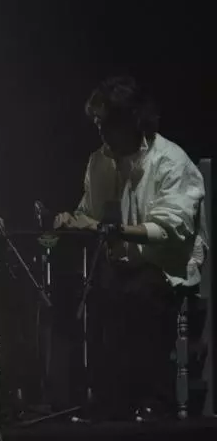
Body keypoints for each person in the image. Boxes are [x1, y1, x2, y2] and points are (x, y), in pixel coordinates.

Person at [53, 75, 209, 421]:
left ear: (133, 121)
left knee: (140, 295)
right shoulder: (100, 161)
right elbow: (89, 212)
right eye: (98, 124)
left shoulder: (169, 161)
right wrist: (71, 220)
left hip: (165, 267)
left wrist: (102, 227)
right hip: (120, 266)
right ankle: (108, 398)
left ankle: (156, 400)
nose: (102, 133)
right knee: (90, 297)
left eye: (108, 124)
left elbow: (170, 229)